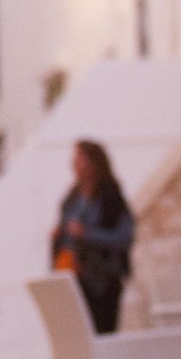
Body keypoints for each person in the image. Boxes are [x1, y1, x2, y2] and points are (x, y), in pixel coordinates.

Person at [51, 139, 135, 335]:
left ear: (93, 162)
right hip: (73, 277)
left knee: (102, 334)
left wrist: (87, 234)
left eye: (80, 157)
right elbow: (66, 228)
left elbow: (124, 236)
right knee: (78, 335)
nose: (74, 162)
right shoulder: (73, 197)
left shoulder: (110, 198)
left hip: (102, 281)